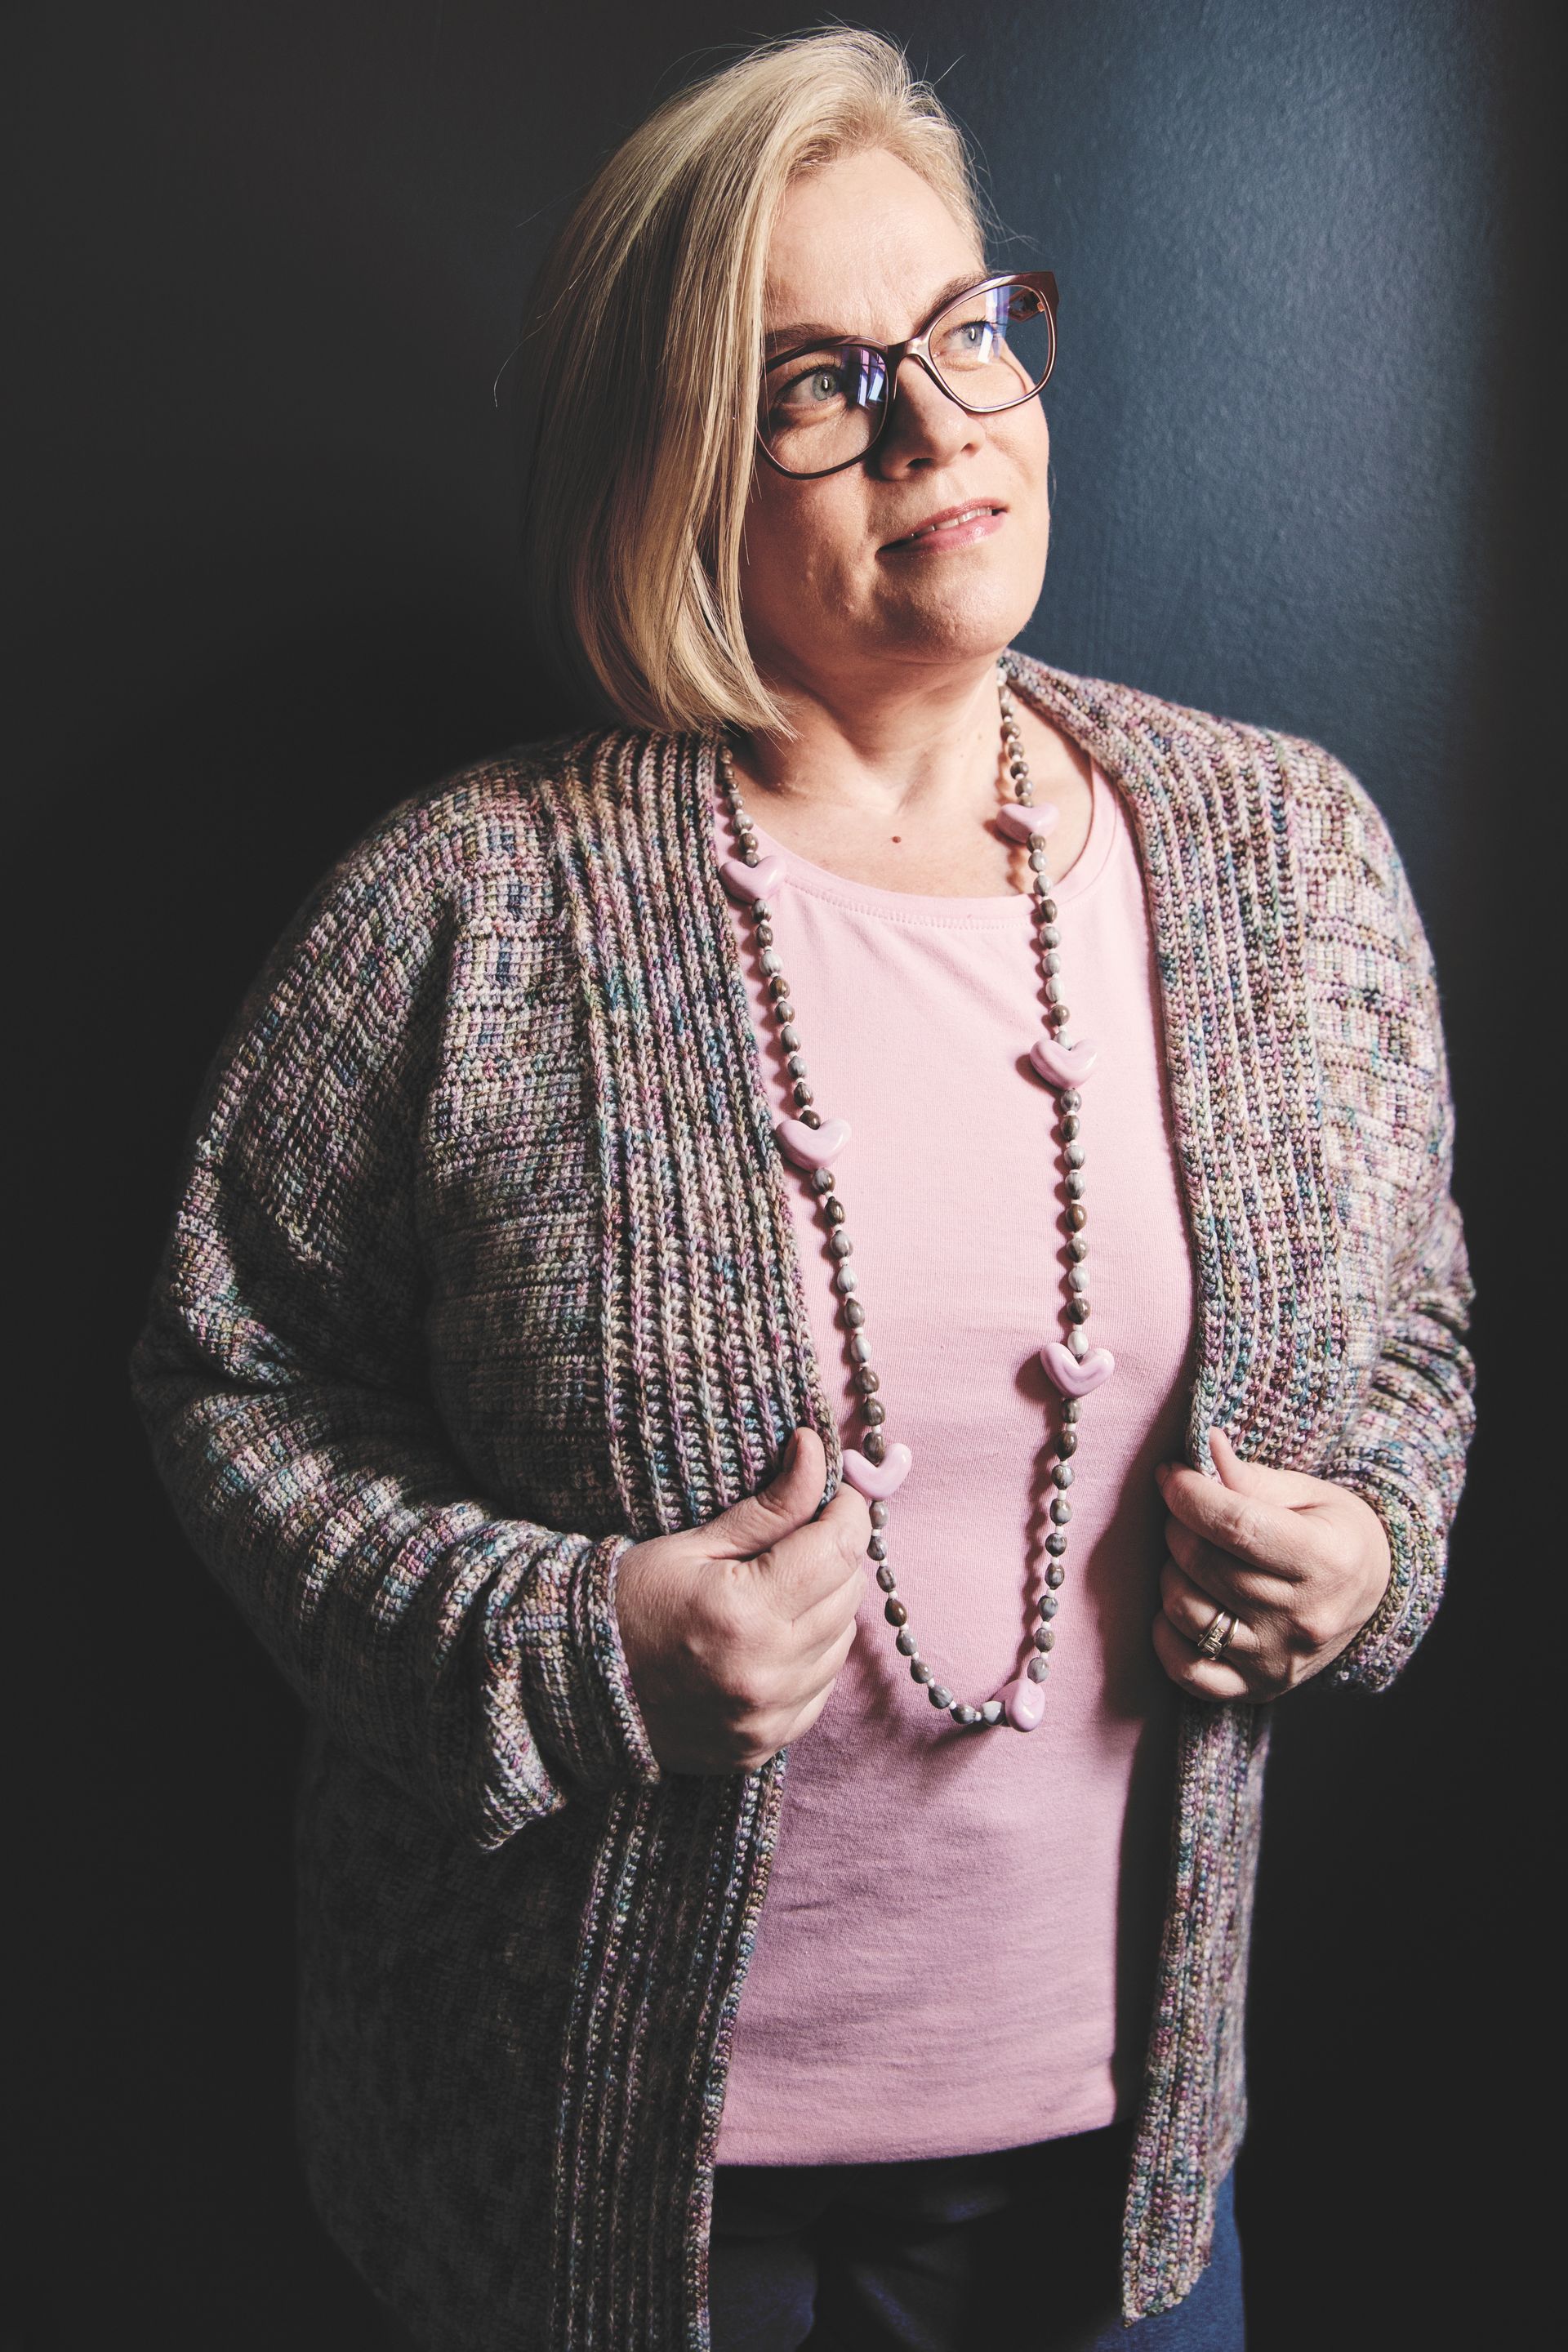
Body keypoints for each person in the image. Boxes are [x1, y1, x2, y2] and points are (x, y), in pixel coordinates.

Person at [131, 28, 1475, 2352]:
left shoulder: (1294, 860)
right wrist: (575, 1644)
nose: (942, 422)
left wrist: (1369, 1546)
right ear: (667, 471)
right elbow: (230, 1379)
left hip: (1119, 2187)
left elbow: (1419, 1338)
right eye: (822, 383)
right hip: (583, 2185)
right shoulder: (460, 912)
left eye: (967, 329)